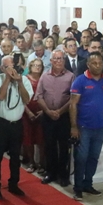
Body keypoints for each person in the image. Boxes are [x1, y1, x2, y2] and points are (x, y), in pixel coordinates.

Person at [69, 52, 103, 201]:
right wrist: (73, 126)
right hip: (83, 127)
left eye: (100, 63)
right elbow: (72, 104)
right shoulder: (80, 81)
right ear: (88, 65)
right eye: (95, 63)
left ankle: (87, 184)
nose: (98, 66)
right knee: (81, 158)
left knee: (93, 157)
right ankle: (77, 188)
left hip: (100, 127)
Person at [0, 55, 34, 200]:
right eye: (7, 67)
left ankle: (14, 183)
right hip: (1, 124)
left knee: (15, 156)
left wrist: (19, 82)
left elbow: (26, 100)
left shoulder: (25, 80)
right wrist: (8, 79)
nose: (12, 69)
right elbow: (1, 97)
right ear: (2, 68)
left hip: (17, 124)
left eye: (13, 66)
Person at [36, 50, 75, 187]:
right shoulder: (44, 76)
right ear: (51, 61)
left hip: (64, 117)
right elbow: (39, 96)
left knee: (64, 147)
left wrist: (59, 110)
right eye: (56, 59)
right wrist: (47, 111)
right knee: (49, 145)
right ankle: (51, 172)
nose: (59, 61)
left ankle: (63, 175)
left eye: (61, 59)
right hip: (47, 116)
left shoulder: (71, 76)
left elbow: (73, 98)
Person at [22, 59, 45, 174]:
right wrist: (28, 112)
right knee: (28, 138)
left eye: (39, 66)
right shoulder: (25, 79)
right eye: (35, 65)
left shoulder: (44, 78)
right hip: (27, 111)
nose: (37, 67)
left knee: (41, 139)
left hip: (41, 110)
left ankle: (41, 163)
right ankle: (32, 162)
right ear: (30, 67)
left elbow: (47, 95)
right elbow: (21, 97)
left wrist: (44, 110)